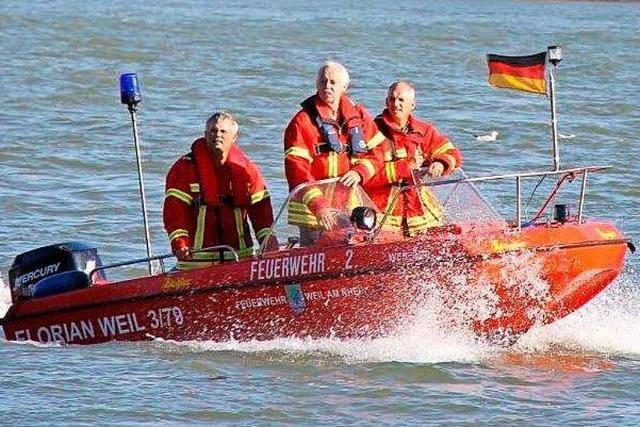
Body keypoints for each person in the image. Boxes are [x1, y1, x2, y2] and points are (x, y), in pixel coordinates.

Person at [283, 61, 386, 245]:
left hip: (347, 202)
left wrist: (359, 172)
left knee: (356, 244)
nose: (327, 86)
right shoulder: (302, 121)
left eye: (332, 82)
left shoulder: (359, 116)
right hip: (312, 208)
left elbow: (379, 152)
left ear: (345, 87)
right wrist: (319, 206)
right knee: (314, 252)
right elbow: (296, 170)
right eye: (322, 81)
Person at [163, 111, 276, 270]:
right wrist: (180, 242)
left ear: (234, 138)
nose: (218, 135)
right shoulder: (184, 168)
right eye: (213, 131)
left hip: (239, 258)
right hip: (196, 260)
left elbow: (261, 213)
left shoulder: (247, 170)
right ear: (205, 134)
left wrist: (269, 241)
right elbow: (174, 212)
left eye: (223, 131)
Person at [364, 80, 462, 236]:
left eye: (401, 100)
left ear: (413, 105)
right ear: (386, 101)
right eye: (392, 99)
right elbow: (366, 174)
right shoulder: (373, 131)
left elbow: (452, 152)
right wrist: (405, 168)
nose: (396, 104)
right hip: (383, 211)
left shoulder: (423, 130)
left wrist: (440, 163)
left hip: (419, 209)